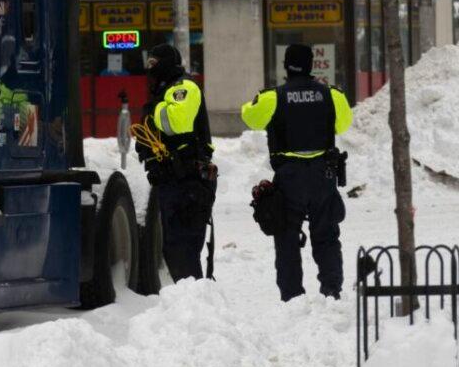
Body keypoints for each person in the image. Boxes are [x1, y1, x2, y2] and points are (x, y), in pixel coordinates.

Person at [240, 43, 353, 301]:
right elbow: (344, 123)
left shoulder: (273, 97)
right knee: (326, 235)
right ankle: (331, 290)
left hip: (290, 177)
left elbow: (250, 117)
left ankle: (292, 296)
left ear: (285, 66)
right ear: (311, 65)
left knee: (287, 237)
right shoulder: (331, 95)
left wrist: (259, 101)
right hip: (323, 175)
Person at [135, 43, 217, 281]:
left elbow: (176, 122)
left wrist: (154, 109)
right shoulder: (164, 91)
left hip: (188, 182)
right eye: (148, 64)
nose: (150, 69)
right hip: (170, 180)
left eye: (154, 63)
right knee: (173, 248)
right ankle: (188, 302)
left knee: (185, 250)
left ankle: (196, 305)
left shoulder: (184, 87)